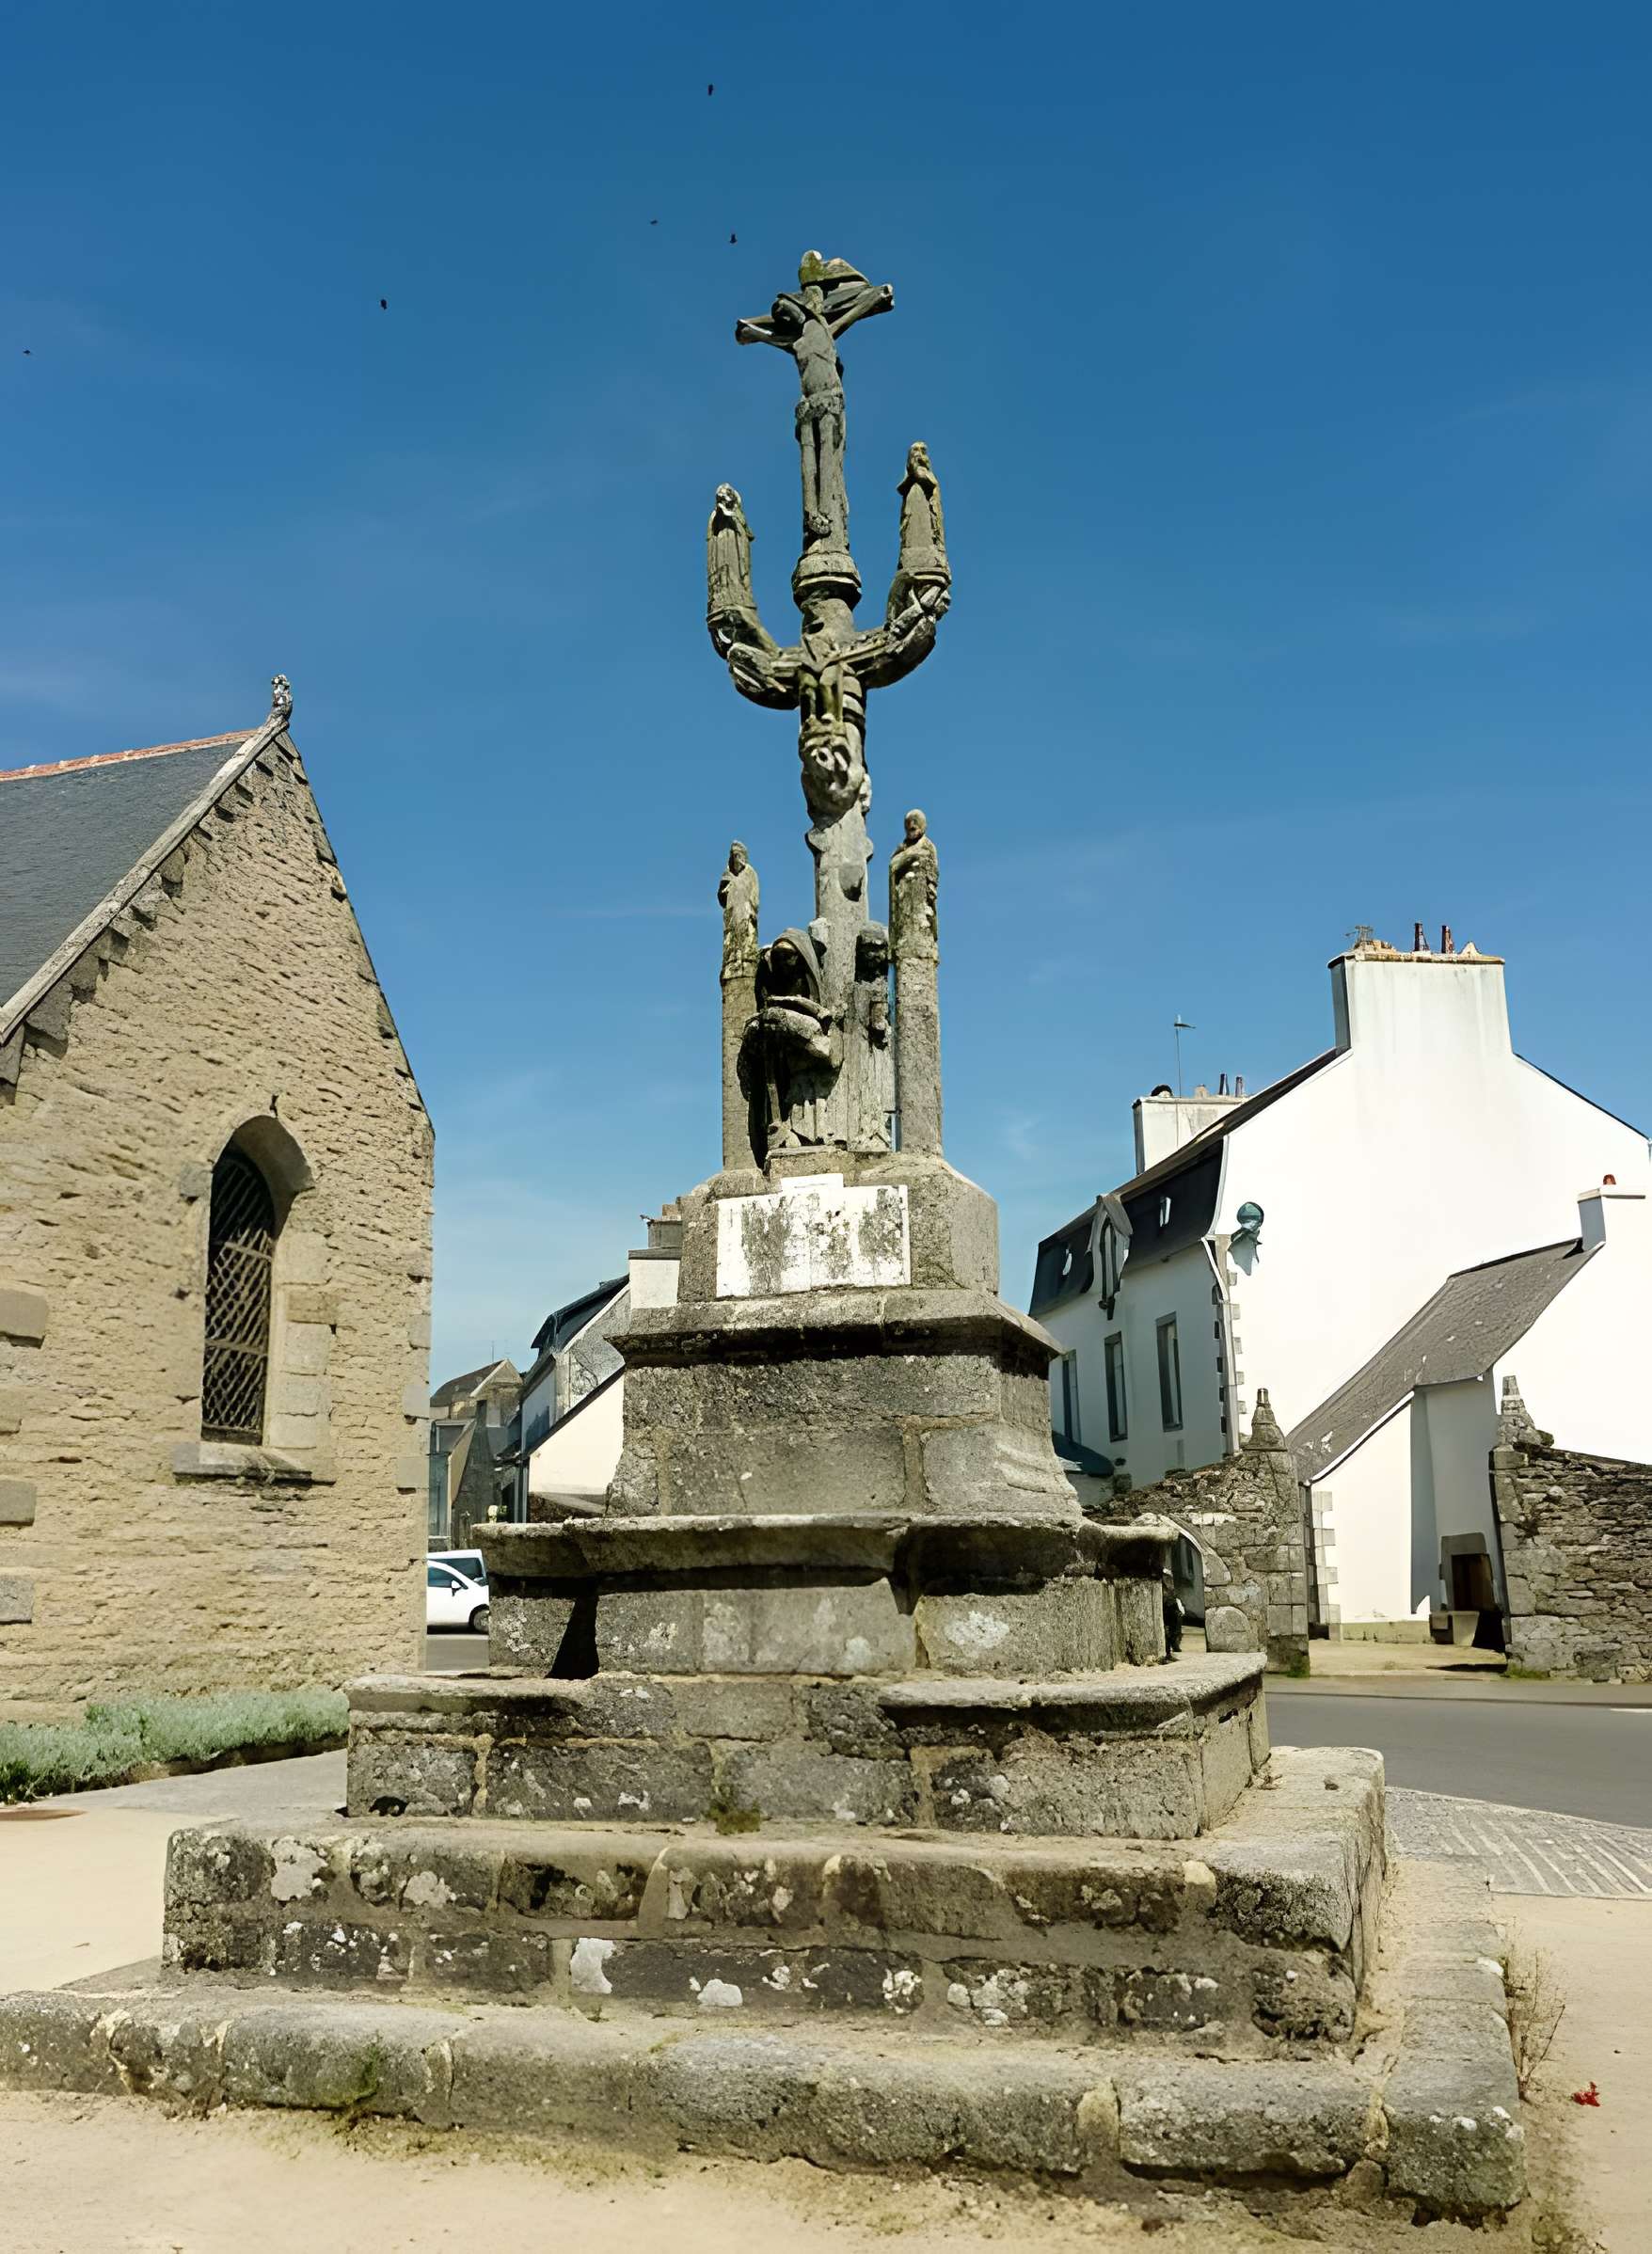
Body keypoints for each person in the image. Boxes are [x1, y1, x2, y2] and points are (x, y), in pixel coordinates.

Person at [1162, 1568, 1183, 1658]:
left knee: (1174, 1628)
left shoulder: (1170, 1584)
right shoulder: (1164, 1584)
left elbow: (1173, 1593)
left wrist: (1179, 1607)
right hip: (1166, 1606)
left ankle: (1174, 1646)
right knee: (1168, 1629)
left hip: (1171, 1605)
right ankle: (1168, 1649)